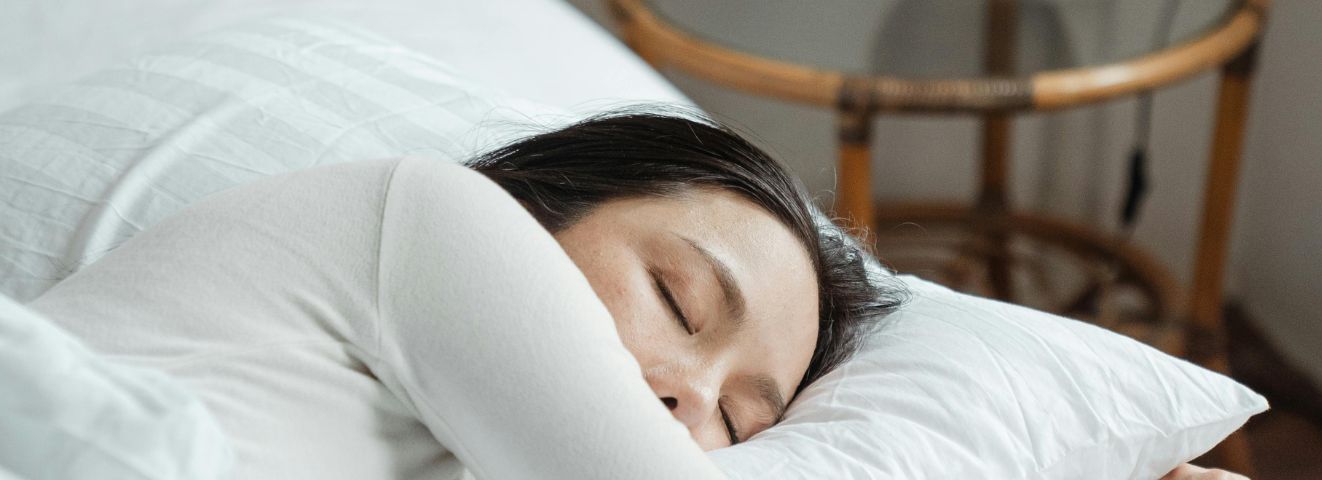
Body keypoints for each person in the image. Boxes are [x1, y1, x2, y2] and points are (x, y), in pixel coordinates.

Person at [27, 110, 1241, 479]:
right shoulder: (428, 214)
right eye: (672, 297)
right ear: (537, 201)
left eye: (740, 422)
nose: (684, 399)